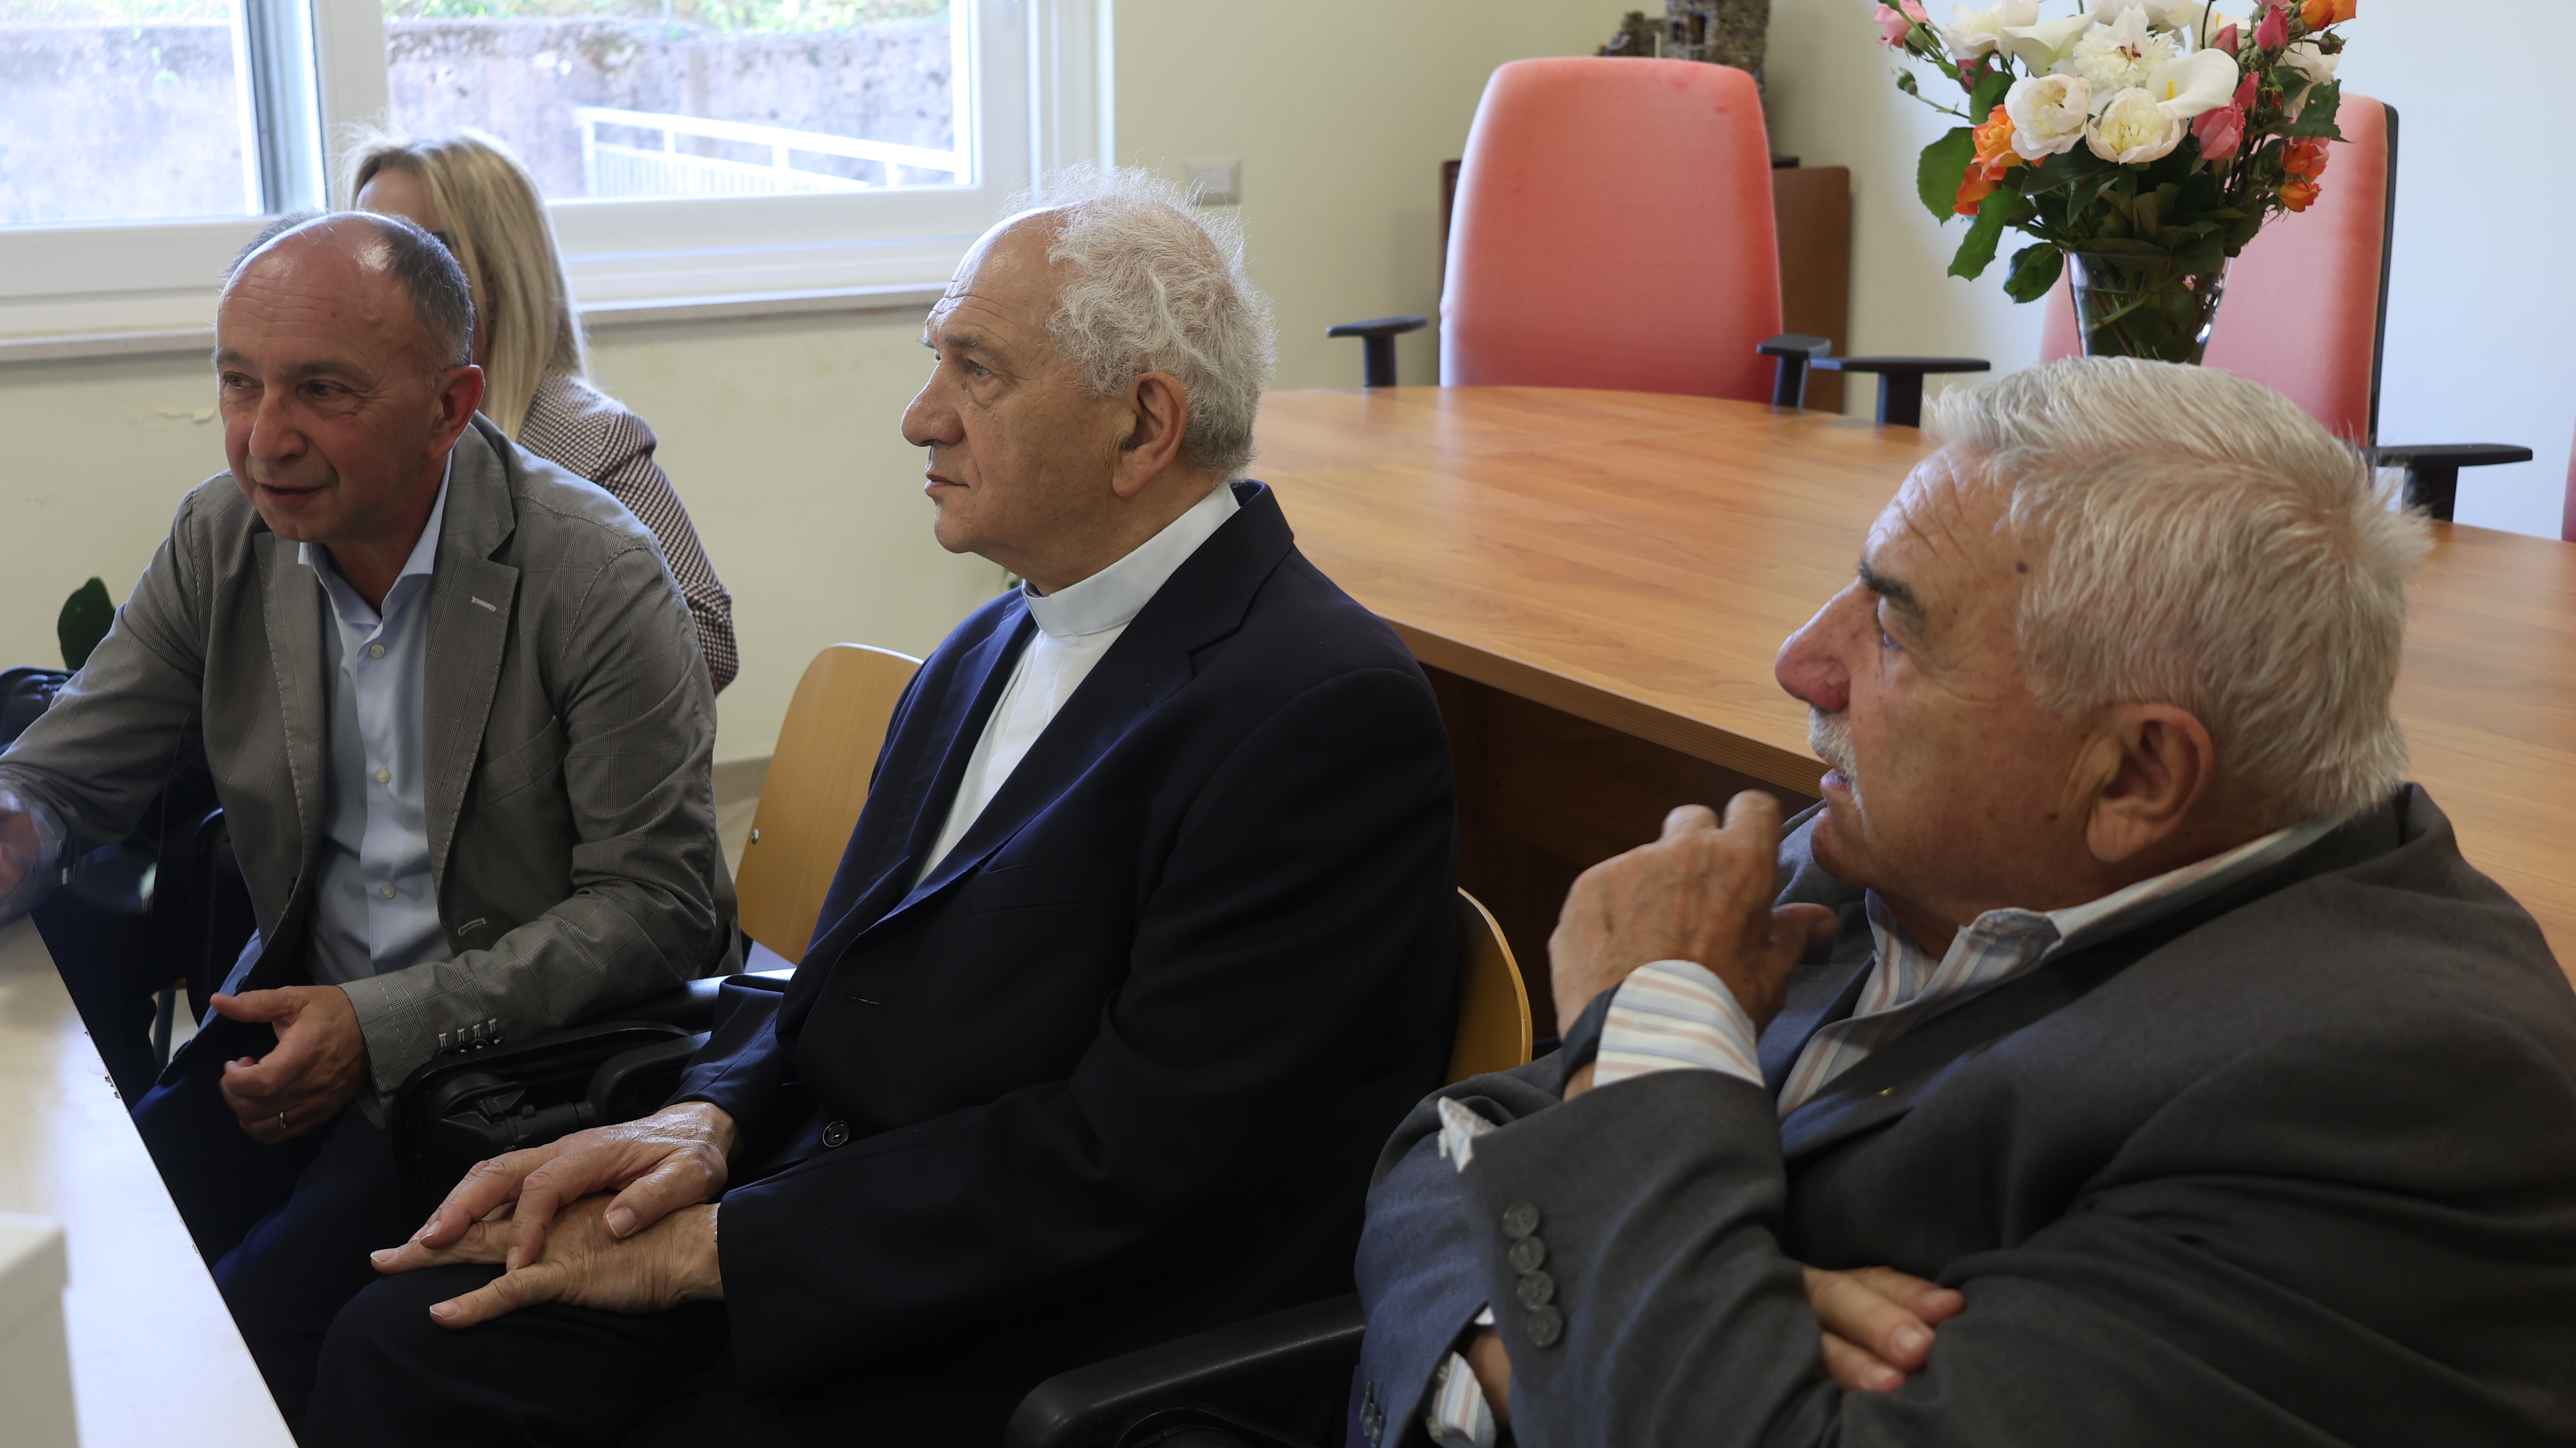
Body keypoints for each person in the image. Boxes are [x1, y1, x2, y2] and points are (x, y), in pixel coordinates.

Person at [304, 165, 1462, 1446]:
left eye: (977, 371)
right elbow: (837, 977)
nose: (921, 419)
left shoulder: (1320, 712)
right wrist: (706, 1117)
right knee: (399, 1347)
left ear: (1143, 427)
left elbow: (1133, 1164)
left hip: (1037, 1325)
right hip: (848, 1220)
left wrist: (715, 1248)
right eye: (935, 362)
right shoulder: (988, 641)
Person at [1350, 358, 2576, 1448]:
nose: (1800, 662)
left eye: (1894, 629)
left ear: (2135, 775)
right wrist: (1520, 1343)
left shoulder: (2395, 1093)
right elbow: (1443, 1150)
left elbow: (1563, 1198)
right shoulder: (1909, 852)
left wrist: (1652, 1026)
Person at [0, 212, 736, 1426]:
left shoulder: (594, 572)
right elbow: (68, 772)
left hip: (508, 1064)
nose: (265, 437)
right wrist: (19, 821)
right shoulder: (223, 534)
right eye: (238, 382)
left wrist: (379, 1025)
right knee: (97, 1253)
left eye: (321, 391)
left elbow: (657, 910)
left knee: (225, 1345)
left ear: (451, 406)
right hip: (302, 1020)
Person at [346, 128, 739, 693]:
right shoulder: (343, 430)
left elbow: (706, 640)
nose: (365, 277)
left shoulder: (586, 440)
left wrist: (525, 694)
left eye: (405, 251)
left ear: (495, 272)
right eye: (361, 247)